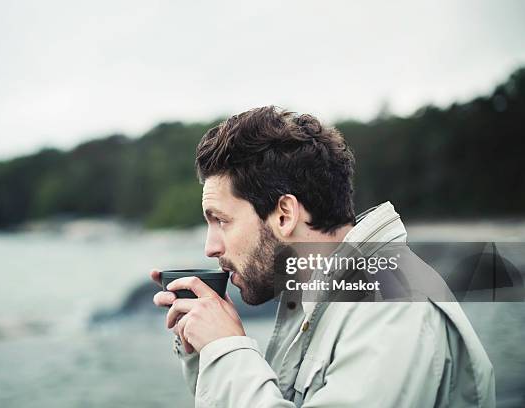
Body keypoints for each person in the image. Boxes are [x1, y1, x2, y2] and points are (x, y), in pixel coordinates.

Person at [151, 106, 495, 407]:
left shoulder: (394, 311)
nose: (210, 247)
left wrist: (228, 350)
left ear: (284, 215)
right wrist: (204, 352)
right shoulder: (316, 296)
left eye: (221, 221)